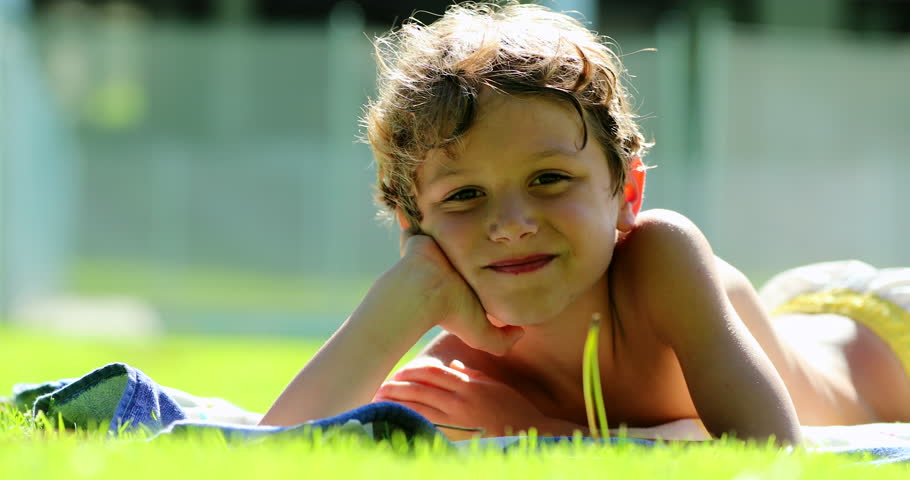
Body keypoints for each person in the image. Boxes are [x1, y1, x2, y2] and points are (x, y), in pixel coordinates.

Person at [260, 2, 910, 444]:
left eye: (548, 180)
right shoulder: (467, 357)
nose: (512, 224)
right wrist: (394, 308)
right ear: (413, 222)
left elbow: (768, 451)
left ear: (625, 191)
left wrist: (538, 430)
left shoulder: (661, 259)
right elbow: (267, 456)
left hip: (885, 343)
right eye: (464, 197)